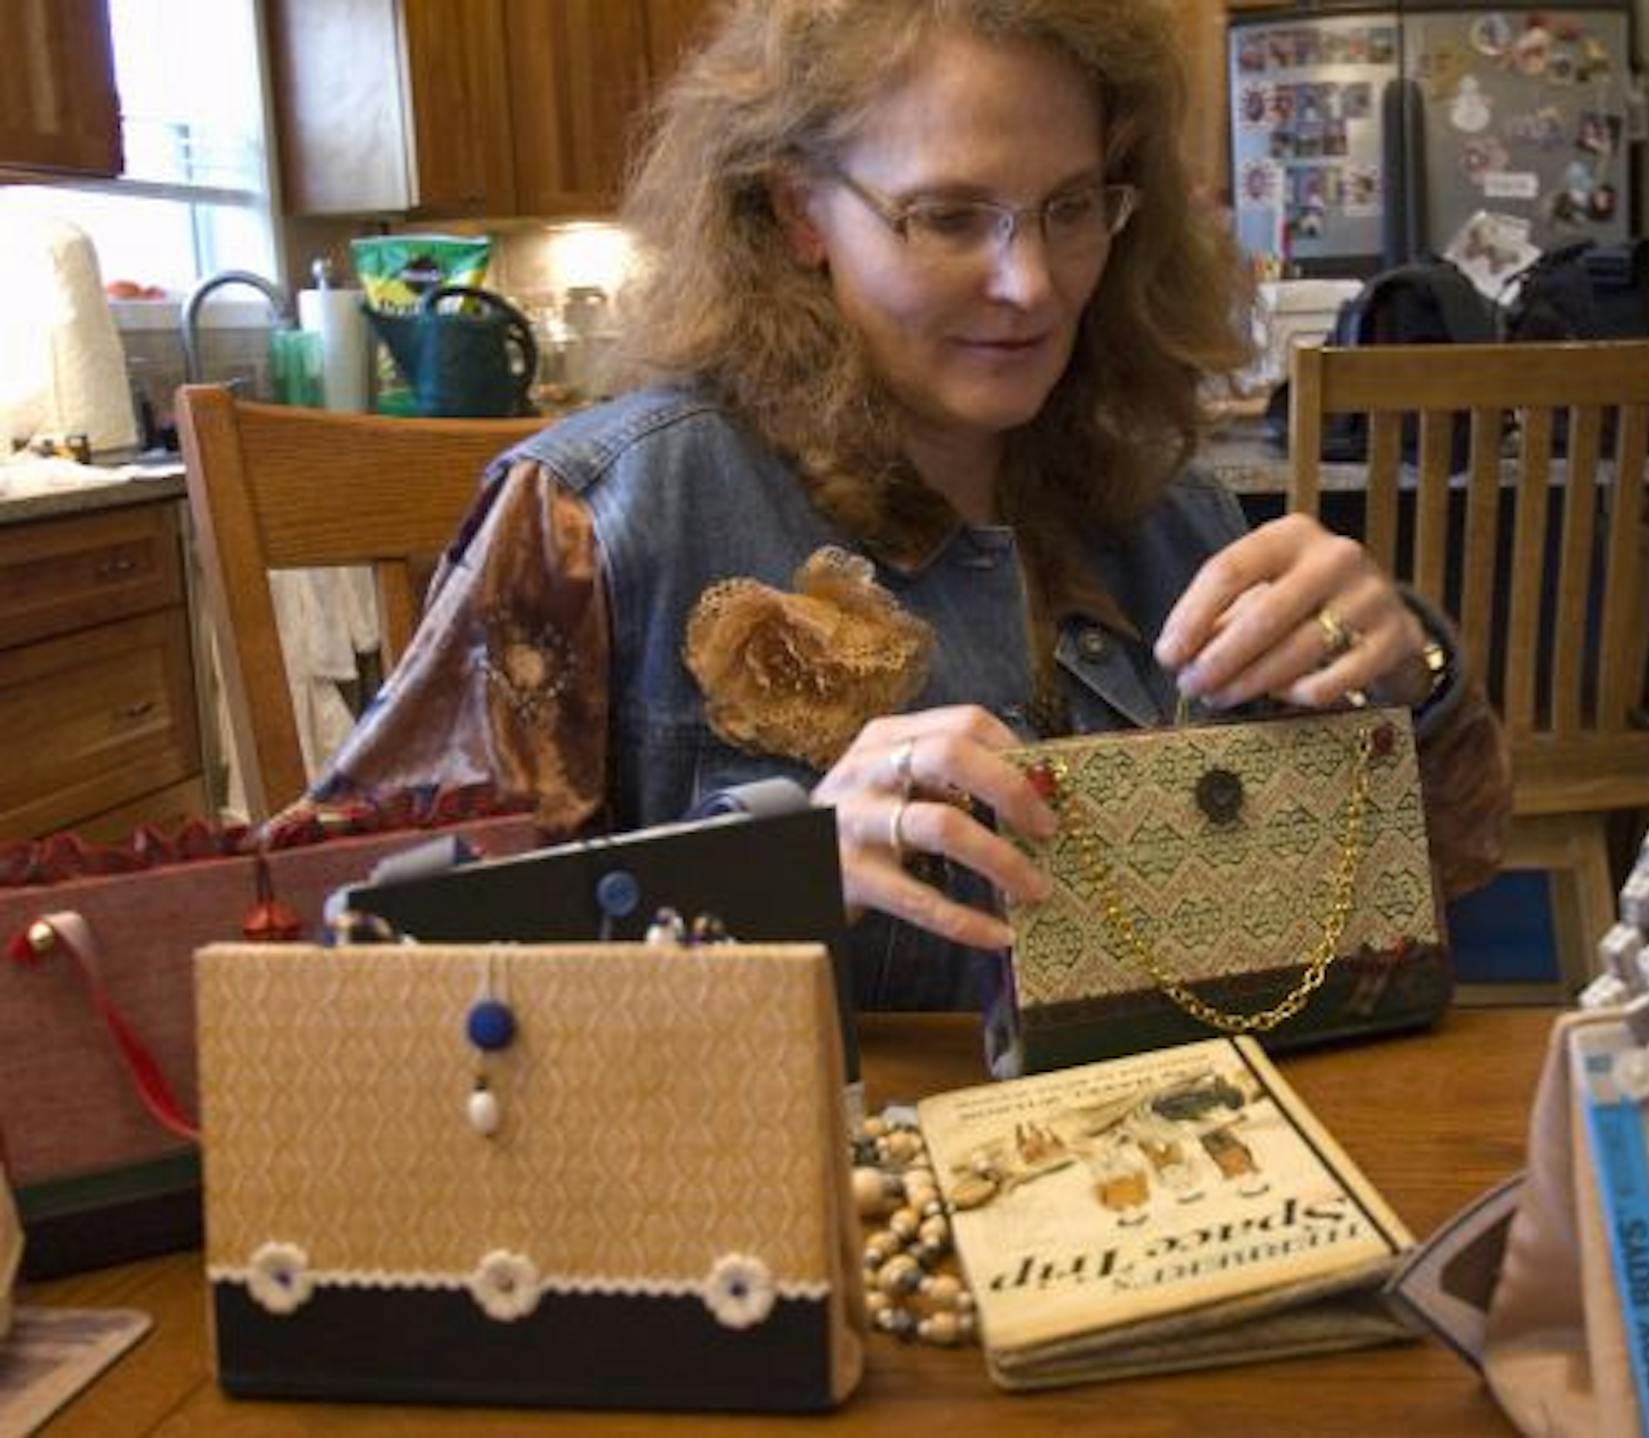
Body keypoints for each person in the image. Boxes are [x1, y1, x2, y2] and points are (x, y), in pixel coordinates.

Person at [310, 0, 1508, 1011]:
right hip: (785, 1224)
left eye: (1072, 207)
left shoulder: (1169, 514)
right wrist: (766, 877)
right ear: (795, 212)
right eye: (947, 215)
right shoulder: (604, 516)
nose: (1030, 283)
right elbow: (343, 967)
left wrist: (1415, 680)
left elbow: (1420, 893)